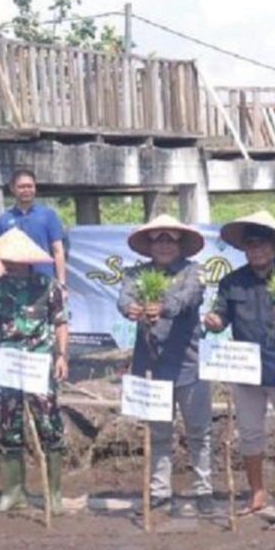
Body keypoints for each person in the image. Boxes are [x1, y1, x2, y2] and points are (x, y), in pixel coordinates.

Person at [202, 210, 275, 516]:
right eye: (251, 244)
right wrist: (214, 321)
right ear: (245, 248)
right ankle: (257, 494)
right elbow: (220, 316)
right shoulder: (232, 282)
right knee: (249, 432)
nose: (257, 249)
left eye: (263, 243)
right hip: (245, 369)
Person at [117, 214, 213, 516]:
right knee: (158, 433)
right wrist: (130, 308)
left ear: (180, 244)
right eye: (158, 239)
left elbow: (189, 298)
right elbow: (123, 298)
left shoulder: (193, 272)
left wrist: (164, 307)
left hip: (188, 363)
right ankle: (160, 491)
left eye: (170, 239)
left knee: (199, 431)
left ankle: (203, 489)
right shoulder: (136, 274)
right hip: (151, 364)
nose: (164, 245)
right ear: (149, 245)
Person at [0, 228, 70, 514]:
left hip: (38, 362)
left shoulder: (47, 285)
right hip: (8, 364)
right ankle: (13, 490)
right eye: (7, 258)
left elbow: (60, 322)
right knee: (8, 425)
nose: (10, 263)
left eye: (16, 258)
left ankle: (53, 493)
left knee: (48, 425)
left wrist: (62, 356)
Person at [0, 168, 67, 290]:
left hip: (44, 283)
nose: (26, 190)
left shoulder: (48, 215)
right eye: (21, 187)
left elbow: (58, 251)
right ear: (12, 189)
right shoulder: (3, 220)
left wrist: (62, 284)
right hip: (14, 286)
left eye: (30, 186)